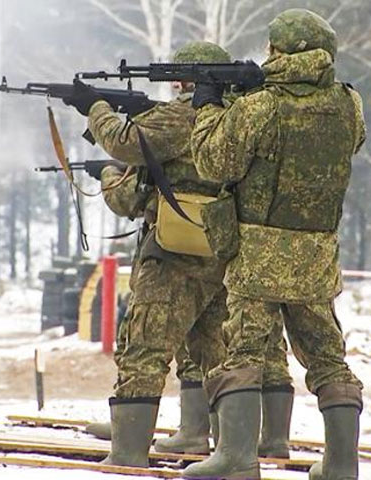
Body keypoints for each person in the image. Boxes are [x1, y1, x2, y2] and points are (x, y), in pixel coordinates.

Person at [64, 41, 294, 467]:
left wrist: (95, 108)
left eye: (179, 78)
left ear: (192, 79)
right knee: (220, 353)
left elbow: (123, 140)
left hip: (175, 251)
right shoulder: (242, 118)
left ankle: (128, 453)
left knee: (145, 346)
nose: (174, 85)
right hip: (224, 252)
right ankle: (233, 453)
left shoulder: (183, 115)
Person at [182, 9, 365, 480]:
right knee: (327, 354)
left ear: (278, 51)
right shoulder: (349, 104)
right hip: (316, 254)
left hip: (259, 253)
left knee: (243, 350)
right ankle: (343, 464)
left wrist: (207, 107)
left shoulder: (261, 107)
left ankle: (238, 458)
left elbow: (213, 162)